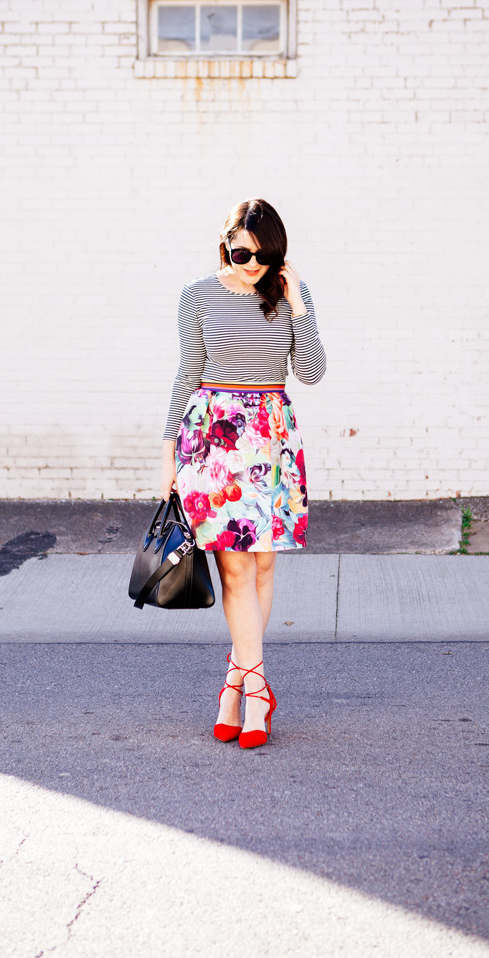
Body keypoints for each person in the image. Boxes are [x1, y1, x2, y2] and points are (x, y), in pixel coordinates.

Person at [160, 198, 326, 749]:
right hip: (216, 442)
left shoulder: (286, 295)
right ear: (226, 241)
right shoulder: (198, 294)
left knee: (262, 569)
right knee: (234, 570)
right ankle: (257, 692)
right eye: (242, 253)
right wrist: (168, 459)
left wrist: (298, 303)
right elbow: (185, 376)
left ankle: (234, 683)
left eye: (265, 257)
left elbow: (310, 372)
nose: (253, 266)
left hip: (273, 439)